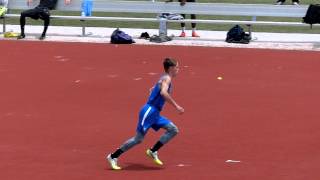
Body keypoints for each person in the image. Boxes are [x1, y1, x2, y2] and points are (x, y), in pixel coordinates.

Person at [107, 58, 184, 170]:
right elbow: (163, 92)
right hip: (149, 112)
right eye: (177, 67)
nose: (178, 69)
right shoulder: (166, 78)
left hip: (155, 113)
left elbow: (156, 88)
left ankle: (153, 151)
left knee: (173, 129)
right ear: (171, 68)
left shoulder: (164, 78)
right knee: (138, 139)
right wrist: (176, 106)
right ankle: (113, 156)